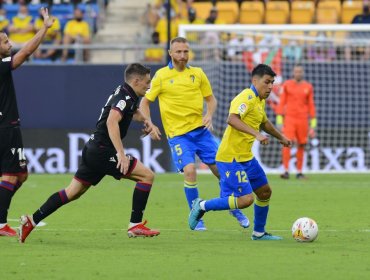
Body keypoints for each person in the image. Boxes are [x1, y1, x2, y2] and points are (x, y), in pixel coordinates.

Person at [18, 63, 161, 243]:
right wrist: (120, 154)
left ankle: (31, 221)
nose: (149, 86)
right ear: (136, 80)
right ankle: (135, 224)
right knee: (147, 176)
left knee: (72, 192)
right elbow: (112, 122)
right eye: (147, 82)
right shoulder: (125, 97)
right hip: (103, 151)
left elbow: (133, 113)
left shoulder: (126, 93)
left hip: (93, 149)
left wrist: (147, 121)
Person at [140, 37, 249, 231]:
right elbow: (145, 102)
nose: (183, 56)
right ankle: (197, 215)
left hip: (201, 132)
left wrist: (209, 114)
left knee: (222, 171)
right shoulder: (161, 76)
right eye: (179, 52)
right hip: (179, 136)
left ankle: (232, 205)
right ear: (170, 53)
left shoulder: (197, 74)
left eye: (185, 52)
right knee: (190, 171)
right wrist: (149, 123)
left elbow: (211, 100)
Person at [188, 64, 292, 240]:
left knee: (265, 192)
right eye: (267, 82)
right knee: (245, 200)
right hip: (230, 158)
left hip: (245, 157)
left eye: (272, 83)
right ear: (255, 81)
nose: (270, 87)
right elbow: (232, 119)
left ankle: (259, 233)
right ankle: (202, 205)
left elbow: (264, 122)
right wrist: (256, 134)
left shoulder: (260, 100)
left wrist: (280, 137)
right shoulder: (246, 97)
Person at [0, 7, 54, 237]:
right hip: (6, 128)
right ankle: (0, 224)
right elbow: (24, 54)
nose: (9, 44)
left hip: (7, 126)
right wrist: (44, 28)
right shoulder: (1, 65)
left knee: (20, 175)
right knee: (11, 175)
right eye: (4, 42)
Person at [276, 64, 316, 179]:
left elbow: (311, 105)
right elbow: (282, 102)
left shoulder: (308, 86)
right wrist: (279, 120)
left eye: (300, 71)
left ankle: (299, 172)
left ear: (302, 73)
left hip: (303, 119)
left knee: (302, 144)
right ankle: (286, 170)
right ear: (293, 72)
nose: (298, 73)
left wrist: (313, 124)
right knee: (287, 143)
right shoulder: (287, 85)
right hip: (289, 118)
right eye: (296, 71)